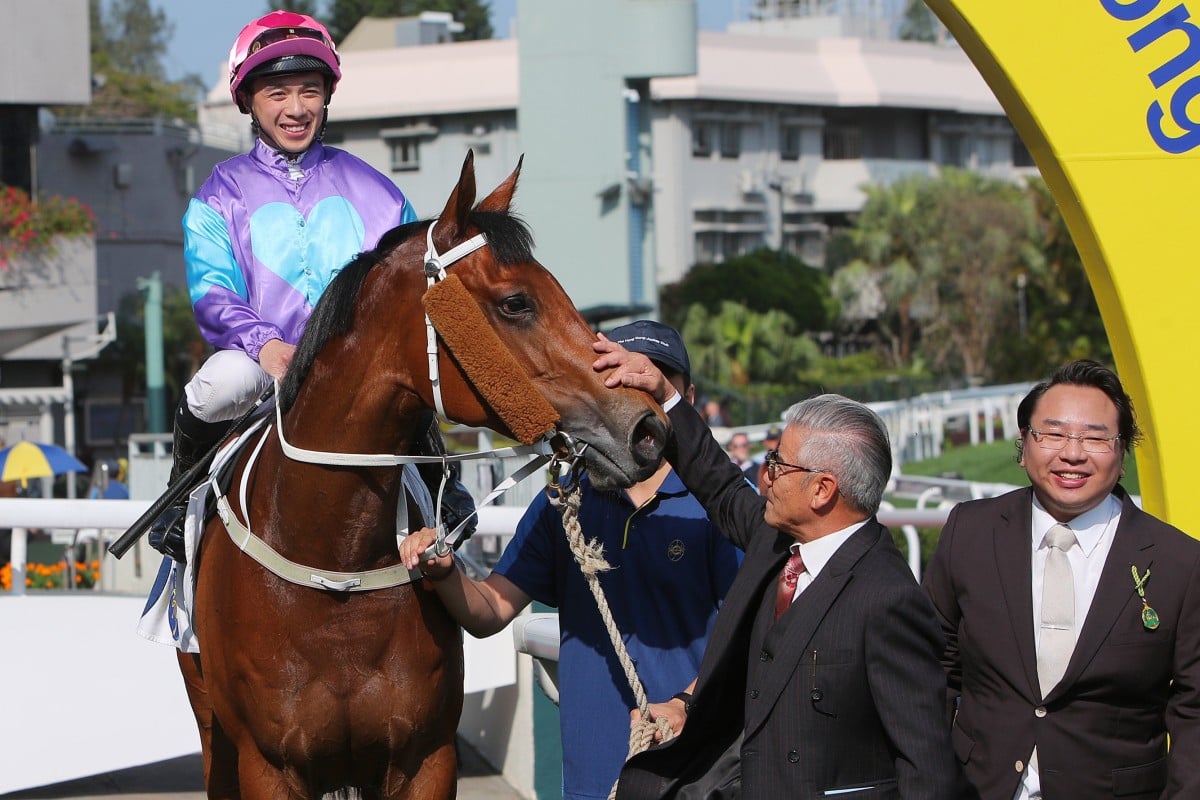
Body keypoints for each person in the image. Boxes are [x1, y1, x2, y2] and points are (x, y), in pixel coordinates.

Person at [148, 11, 471, 561]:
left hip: (359, 365)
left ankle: (444, 489)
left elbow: (410, 288)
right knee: (221, 382)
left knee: (413, 373)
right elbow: (213, 296)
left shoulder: (378, 191)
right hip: (261, 364)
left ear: (327, 97)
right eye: (277, 93)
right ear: (247, 100)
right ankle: (179, 500)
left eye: (309, 91)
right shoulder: (217, 196)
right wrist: (268, 347)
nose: (295, 109)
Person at [595, 340, 961, 799]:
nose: (764, 476)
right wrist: (667, 395)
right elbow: (721, 485)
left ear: (822, 490)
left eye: (777, 464)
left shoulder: (887, 598)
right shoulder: (777, 541)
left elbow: (926, 768)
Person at [401, 320, 742, 800]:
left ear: (685, 399)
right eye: (621, 379)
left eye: (652, 381)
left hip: (696, 774)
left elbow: (753, 633)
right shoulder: (565, 503)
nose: (636, 394)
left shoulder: (724, 505)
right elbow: (490, 610)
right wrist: (446, 572)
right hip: (592, 781)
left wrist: (687, 702)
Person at [923, 359, 1200, 799]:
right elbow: (933, 666)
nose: (1072, 453)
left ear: (1123, 452)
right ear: (1024, 445)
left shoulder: (1178, 562)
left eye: (1095, 437)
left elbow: (1194, 708)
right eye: (1052, 434)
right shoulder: (970, 532)